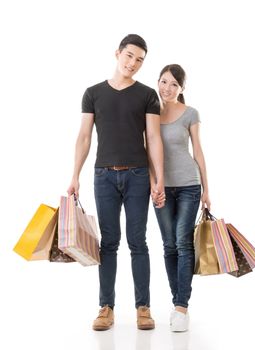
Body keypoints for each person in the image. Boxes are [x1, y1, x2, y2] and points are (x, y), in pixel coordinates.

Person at [67, 34, 164, 331]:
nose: (132, 63)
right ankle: (105, 307)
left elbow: (154, 139)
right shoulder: (93, 93)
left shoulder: (148, 95)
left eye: (139, 60)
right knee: (108, 244)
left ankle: (143, 308)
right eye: (129, 55)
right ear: (117, 53)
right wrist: (74, 176)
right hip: (103, 177)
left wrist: (158, 179)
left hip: (137, 176)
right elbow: (84, 137)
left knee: (138, 243)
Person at [152, 64, 211, 332]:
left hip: (189, 185)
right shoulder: (150, 112)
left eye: (174, 84)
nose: (167, 88)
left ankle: (180, 308)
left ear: (182, 88)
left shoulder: (190, 113)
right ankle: (179, 303)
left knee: (183, 242)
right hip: (161, 188)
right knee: (168, 246)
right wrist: (155, 185)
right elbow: (147, 152)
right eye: (164, 82)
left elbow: (198, 151)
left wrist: (207, 190)